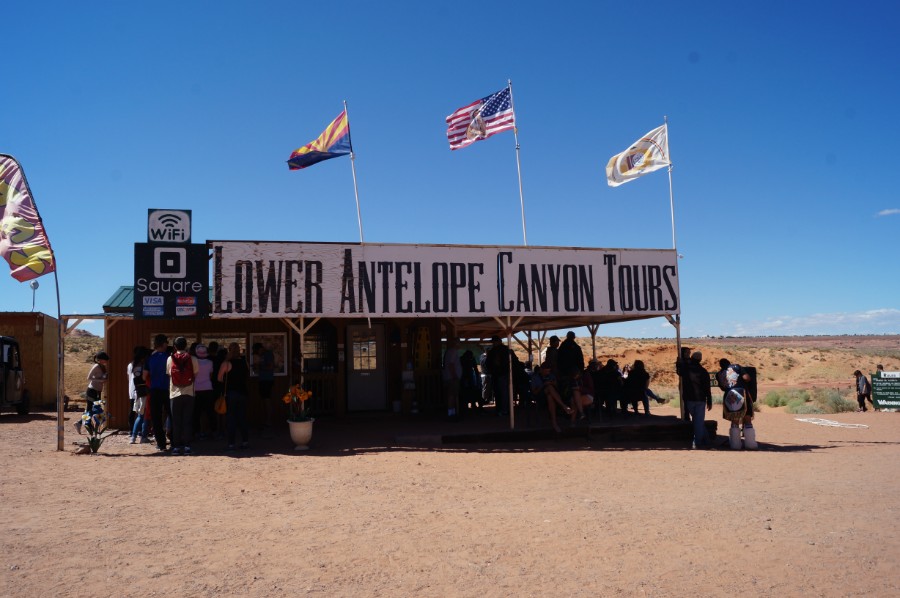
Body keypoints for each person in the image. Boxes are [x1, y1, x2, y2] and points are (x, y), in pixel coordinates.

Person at [167, 336, 199, 455]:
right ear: (186, 346)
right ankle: (187, 446)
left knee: (176, 421)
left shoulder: (170, 359)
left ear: (175, 346)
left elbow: (169, 374)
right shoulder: (193, 359)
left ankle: (175, 447)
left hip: (174, 394)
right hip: (189, 393)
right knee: (187, 421)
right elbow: (195, 374)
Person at [677, 351, 712, 449]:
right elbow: (707, 388)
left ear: (692, 358)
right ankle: (697, 443)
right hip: (700, 399)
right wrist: (709, 400)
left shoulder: (686, 369)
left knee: (697, 421)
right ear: (700, 360)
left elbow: (679, 372)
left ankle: (706, 440)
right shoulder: (703, 371)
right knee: (698, 421)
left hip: (689, 399)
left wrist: (678, 363)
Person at [219, 342, 250, 450]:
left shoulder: (226, 363)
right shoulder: (244, 361)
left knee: (231, 418)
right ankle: (245, 441)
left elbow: (219, 378)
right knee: (242, 418)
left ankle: (231, 443)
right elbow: (248, 374)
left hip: (231, 393)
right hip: (243, 392)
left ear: (229, 350)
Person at [530, 362, 572, 432]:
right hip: (540, 397)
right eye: (546, 371)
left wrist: (553, 383)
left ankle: (554, 423)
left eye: (549, 371)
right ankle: (564, 406)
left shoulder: (551, 376)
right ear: (541, 370)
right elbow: (534, 392)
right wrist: (543, 385)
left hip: (552, 396)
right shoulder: (535, 378)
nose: (547, 373)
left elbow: (557, 388)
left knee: (550, 396)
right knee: (549, 387)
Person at [147, 334, 170, 452]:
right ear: (163, 343)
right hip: (167, 389)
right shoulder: (169, 357)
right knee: (171, 415)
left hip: (154, 389)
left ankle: (161, 444)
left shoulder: (150, 358)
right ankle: (174, 441)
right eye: (166, 342)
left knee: (156, 417)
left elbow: (144, 375)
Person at [76, 351, 109, 434]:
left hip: (97, 391)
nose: (106, 361)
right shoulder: (96, 366)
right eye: (105, 360)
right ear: (100, 360)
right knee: (92, 410)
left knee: (90, 409)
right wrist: (100, 380)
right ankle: (87, 426)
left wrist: (103, 379)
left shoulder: (102, 367)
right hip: (92, 390)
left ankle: (80, 423)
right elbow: (89, 377)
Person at [557, 331, 584, 411]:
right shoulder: (576, 347)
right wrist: (580, 372)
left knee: (565, 393)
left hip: (564, 373)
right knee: (574, 390)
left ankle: (566, 410)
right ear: (574, 337)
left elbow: (559, 360)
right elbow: (580, 361)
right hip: (574, 374)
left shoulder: (562, 346)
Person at [193, 344, 216, 439]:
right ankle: (212, 431)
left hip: (197, 388)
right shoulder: (210, 362)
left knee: (196, 412)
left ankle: (197, 432)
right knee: (210, 411)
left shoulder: (194, 362)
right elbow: (211, 375)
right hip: (208, 388)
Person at [128, 347, 150, 444]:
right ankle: (143, 436)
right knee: (145, 415)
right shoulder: (144, 365)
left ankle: (133, 436)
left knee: (139, 414)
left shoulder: (132, 365)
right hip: (145, 391)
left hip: (136, 391)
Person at [253, 342, 276, 431]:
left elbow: (270, 367)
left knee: (267, 400)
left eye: (256, 351)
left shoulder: (268, 354)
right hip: (263, 380)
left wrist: (260, 368)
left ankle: (269, 421)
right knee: (265, 400)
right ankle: (266, 421)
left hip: (267, 380)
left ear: (260, 349)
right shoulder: (263, 355)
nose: (257, 354)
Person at [486, 336, 510, 416]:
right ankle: (502, 409)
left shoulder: (497, 350)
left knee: (501, 392)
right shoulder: (504, 350)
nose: (493, 343)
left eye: (494, 341)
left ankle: (502, 409)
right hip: (499, 374)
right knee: (501, 392)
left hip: (500, 374)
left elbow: (488, 363)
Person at [442, 338, 461, 418]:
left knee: (452, 395)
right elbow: (451, 364)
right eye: (459, 343)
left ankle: (452, 412)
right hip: (452, 378)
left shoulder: (449, 351)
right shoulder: (453, 351)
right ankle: (451, 414)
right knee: (452, 395)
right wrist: (455, 376)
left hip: (449, 377)